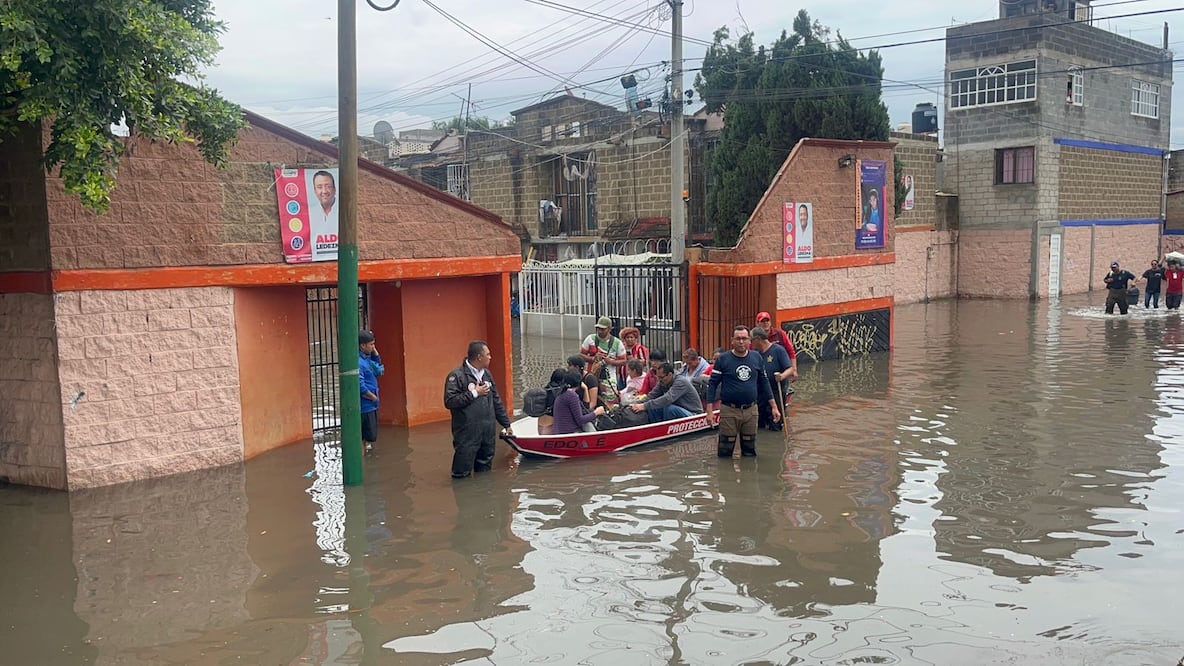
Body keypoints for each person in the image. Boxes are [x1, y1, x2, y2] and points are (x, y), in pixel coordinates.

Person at [707, 326, 780, 458]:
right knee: (725, 450)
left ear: (749, 341)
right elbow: (712, 385)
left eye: (744, 339)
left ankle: (749, 476)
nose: (741, 342)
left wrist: (774, 406)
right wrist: (709, 411)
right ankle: (726, 477)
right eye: (738, 339)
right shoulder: (723, 359)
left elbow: (764, 383)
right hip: (729, 410)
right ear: (732, 341)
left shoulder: (756, 357)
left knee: (749, 450)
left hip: (751, 410)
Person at [443, 340, 512, 479]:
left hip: (487, 432)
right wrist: (474, 393)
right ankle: (463, 499)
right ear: (479, 357)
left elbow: (496, 401)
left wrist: (507, 424)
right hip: (467, 433)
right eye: (488, 354)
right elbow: (450, 401)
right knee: (461, 474)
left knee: (485, 471)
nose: (490, 357)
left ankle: (483, 498)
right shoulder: (457, 376)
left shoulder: (487, 375)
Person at [628, 362, 704, 422]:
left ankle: (665, 428)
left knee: (668, 408)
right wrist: (636, 404)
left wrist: (644, 406)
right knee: (651, 408)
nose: (659, 380)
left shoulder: (681, 382)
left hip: (693, 414)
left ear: (670, 375)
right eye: (658, 377)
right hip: (679, 409)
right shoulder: (662, 382)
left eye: (661, 377)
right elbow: (651, 396)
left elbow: (668, 398)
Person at [751, 327, 793, 432]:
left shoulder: (778, 350)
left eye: (751, 340)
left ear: (758, 339)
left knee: (775, 424)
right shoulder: (755, 354)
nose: (750, 343)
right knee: (759, 424)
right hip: (760, 393)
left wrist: (782, 376)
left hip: (776, 392)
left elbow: (790, 369)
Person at [755, 312, 798, 382]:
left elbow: (791, 351)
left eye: (767, 321)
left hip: (781, 370)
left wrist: (794, 370)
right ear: (757, 324)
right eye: (762, 321)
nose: (765, 323)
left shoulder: (780, 334)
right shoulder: (754, 337)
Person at [358, 331, 381, 453]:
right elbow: (360, 384)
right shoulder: (359, 362)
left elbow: (378, 370)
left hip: (371, 404)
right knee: (365, 437)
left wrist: (376, 355)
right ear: (362, 346)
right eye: (371, 344)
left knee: (369, 437)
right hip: (366, 405)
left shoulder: (367, 359)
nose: (373, 347)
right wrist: (371, 396)